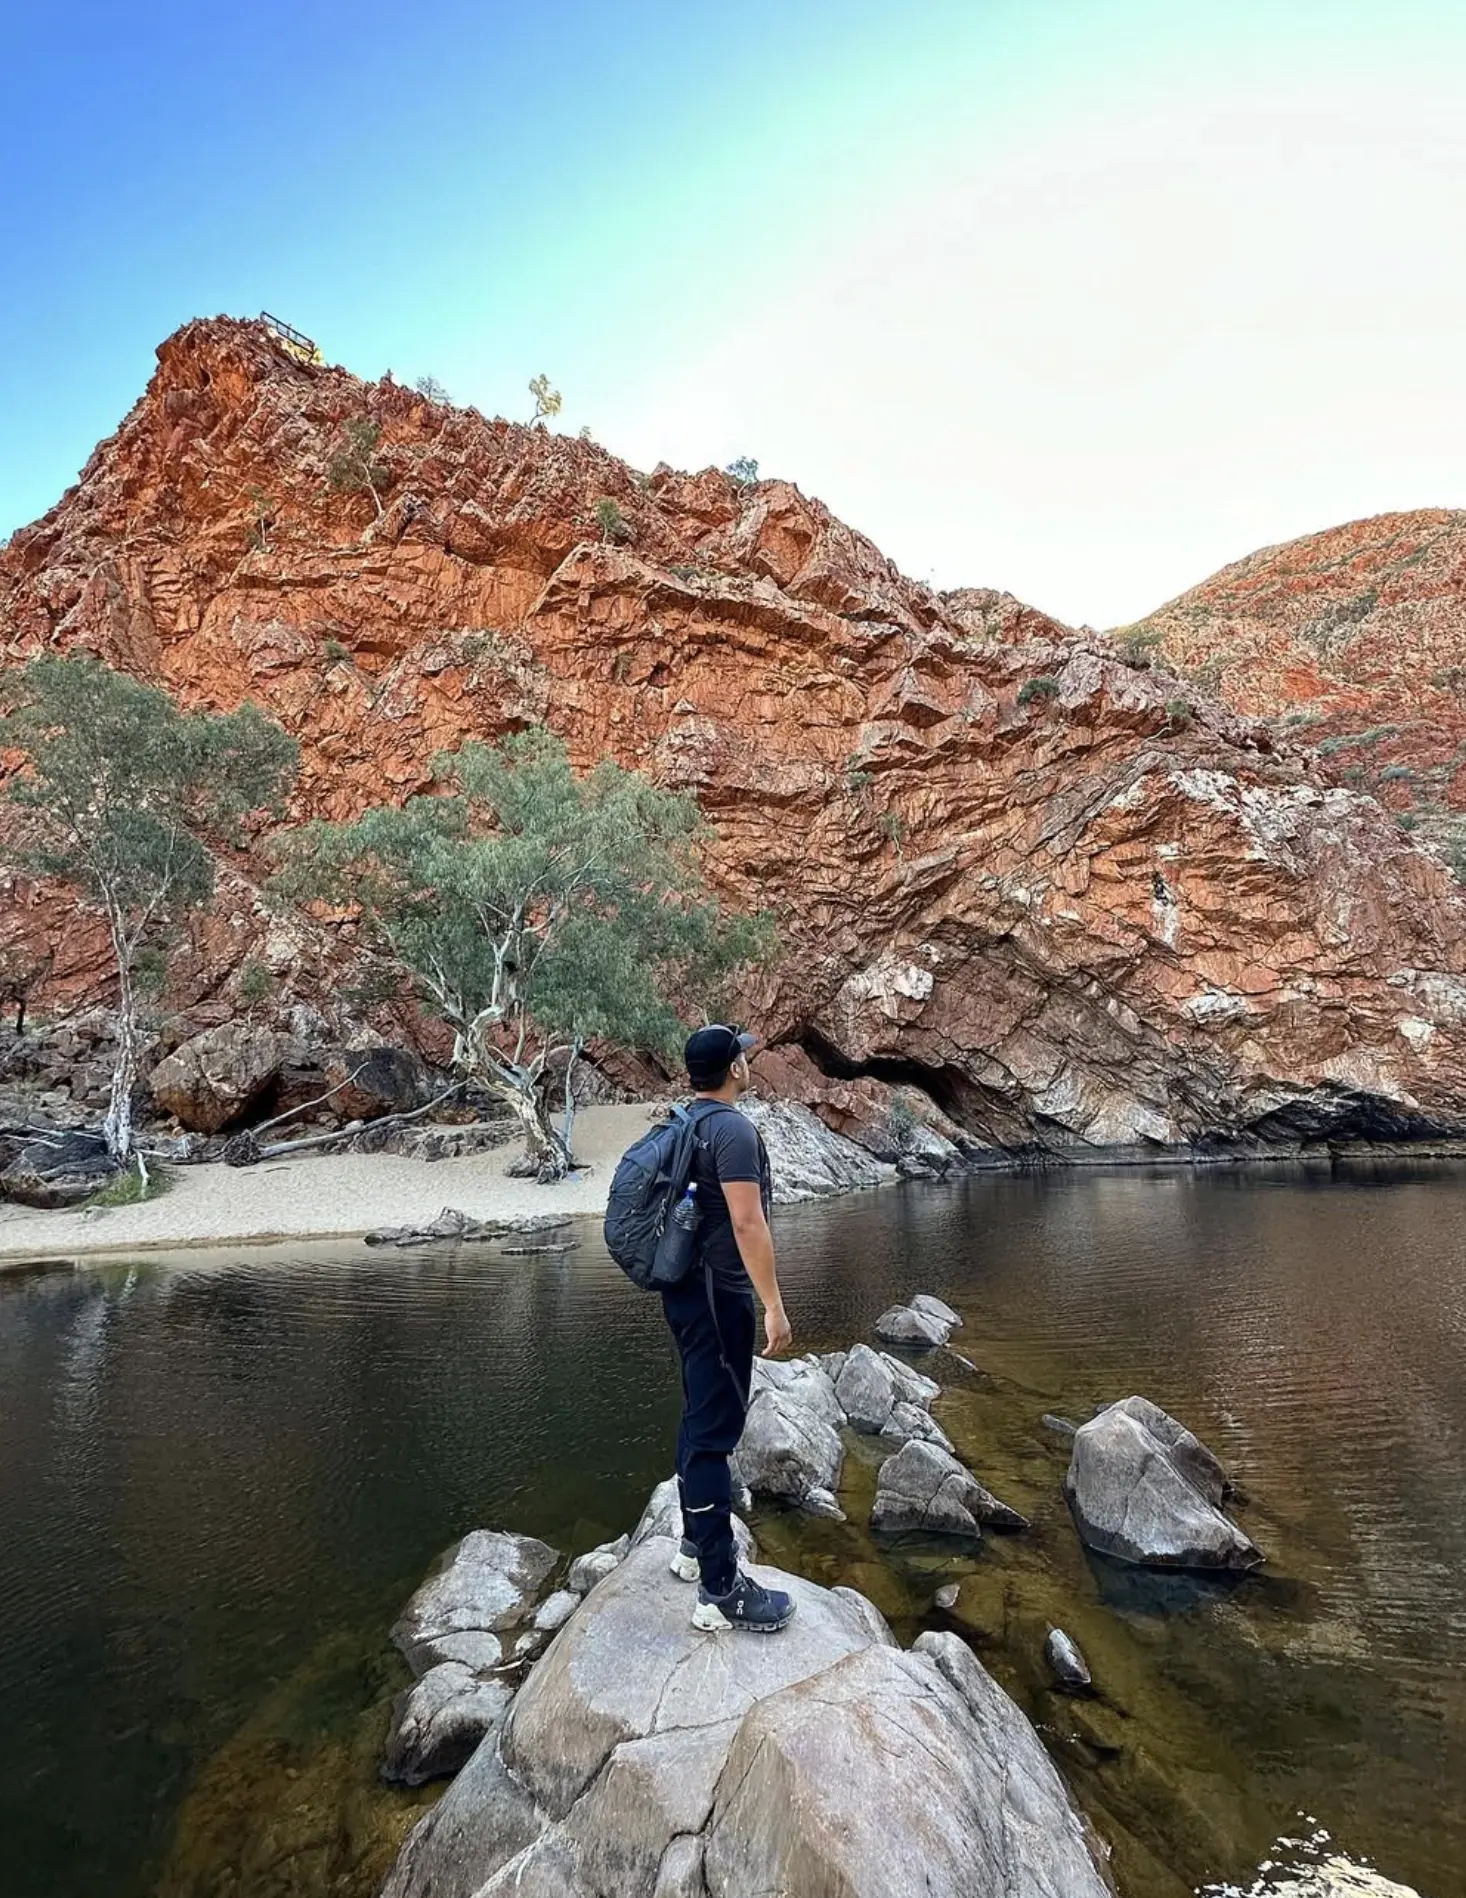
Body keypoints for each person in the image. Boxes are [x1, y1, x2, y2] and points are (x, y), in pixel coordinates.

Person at [662, 1023, 795, 1633]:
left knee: (698, 1415)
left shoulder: (685, 1123)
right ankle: (721, 1588)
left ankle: (694, 1545)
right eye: (743, 1054)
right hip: (721, 1296)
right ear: (732, 1068)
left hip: (687, 1292)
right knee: (715, 1433)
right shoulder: (732, 1130)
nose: (750, 1060)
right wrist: (773, 1303)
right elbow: (748, 1224)